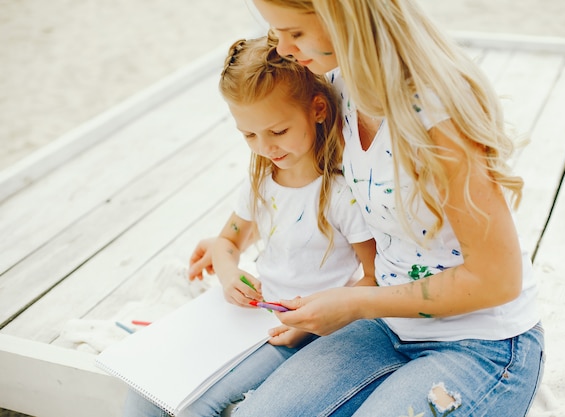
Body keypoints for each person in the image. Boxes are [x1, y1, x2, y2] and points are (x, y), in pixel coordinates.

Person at [216, 1, 543, 416]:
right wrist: (228, 239)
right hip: (386, 325)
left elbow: (497, 279)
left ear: (346, 17)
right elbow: (283, 150)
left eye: (294, 33)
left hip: (482, 344)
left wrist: (356, 303)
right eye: (275, 32)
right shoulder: (336, 84)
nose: (281, 48)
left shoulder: (438, 115)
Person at [122, 35, 377, 417]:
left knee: (197, 404)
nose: (266, 147)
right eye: (249, 135)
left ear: (318, 110)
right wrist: (229, 275)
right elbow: (227, 242)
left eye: (278, 132)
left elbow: (373, 277)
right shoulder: (263, 182)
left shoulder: (340, 195)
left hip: (300, 332)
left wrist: (308, 325)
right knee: (146, 387)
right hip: (252, 315)